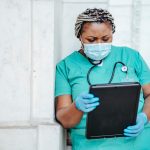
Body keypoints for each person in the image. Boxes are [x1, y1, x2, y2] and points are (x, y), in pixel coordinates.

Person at [55, 8, 150, 150]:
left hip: (138, 143)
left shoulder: (131, 57)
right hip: (91, 145)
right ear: (79, 36)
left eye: (106, 39)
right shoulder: (66, 66)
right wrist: (77, 107)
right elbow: (65, 120)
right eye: (91, 40)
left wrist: (144, 117)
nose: (99, 44)